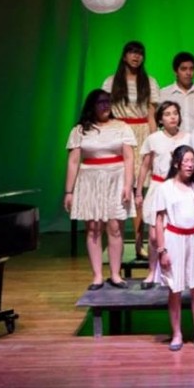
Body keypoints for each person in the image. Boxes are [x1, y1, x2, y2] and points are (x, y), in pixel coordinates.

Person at [64, 89, 136, 290]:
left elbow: (129, 158)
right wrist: (69, 192)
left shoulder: (121, 127)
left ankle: (115, 273)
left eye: (108, 101)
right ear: (91, 106)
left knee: (114, 228)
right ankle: (97, 275)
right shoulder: (80, 130)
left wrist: (128, 185)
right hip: (90, 180)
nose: (105, 105)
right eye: (100, 102)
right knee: (93, 228)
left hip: (116, 178)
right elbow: (73, 161)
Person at [154, 145, 194, 351]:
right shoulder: (165, 188)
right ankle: (177, 334)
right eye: (187, 161)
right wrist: (162, 250)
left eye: (193, 161)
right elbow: (159, 220)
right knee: (175, 288)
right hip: (174, 239)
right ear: (177, 163)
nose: (190, 165)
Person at [102, 40, 160, 258]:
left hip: (142, 132)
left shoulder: (150, 82)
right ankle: (114, 242)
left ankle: (138, 243)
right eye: (132, 53)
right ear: (124, 56)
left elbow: (152, 116)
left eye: (140, 53)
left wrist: (154, 143)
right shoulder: (111, 81)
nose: (136, 57)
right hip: (119, 132)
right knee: (118, 188)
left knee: (139, 192)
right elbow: (105, 112)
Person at [137, 101, 188, 288]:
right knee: (153, 235)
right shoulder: (154, 139)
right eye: (167, 114)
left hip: (180, 187)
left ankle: (179, 271)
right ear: (160, 119)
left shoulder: (188, 138)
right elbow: (144, 166)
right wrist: (138, 191)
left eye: (175, 113)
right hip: (158, 186)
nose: (172, 117)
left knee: (177, 231)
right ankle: (152, 271)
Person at [159, 51, 194, 132]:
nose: (188, 73)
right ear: (175, 72)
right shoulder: (164, 94)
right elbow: (159, 122)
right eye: (183, 69)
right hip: (173, 142)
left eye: (191, 69)